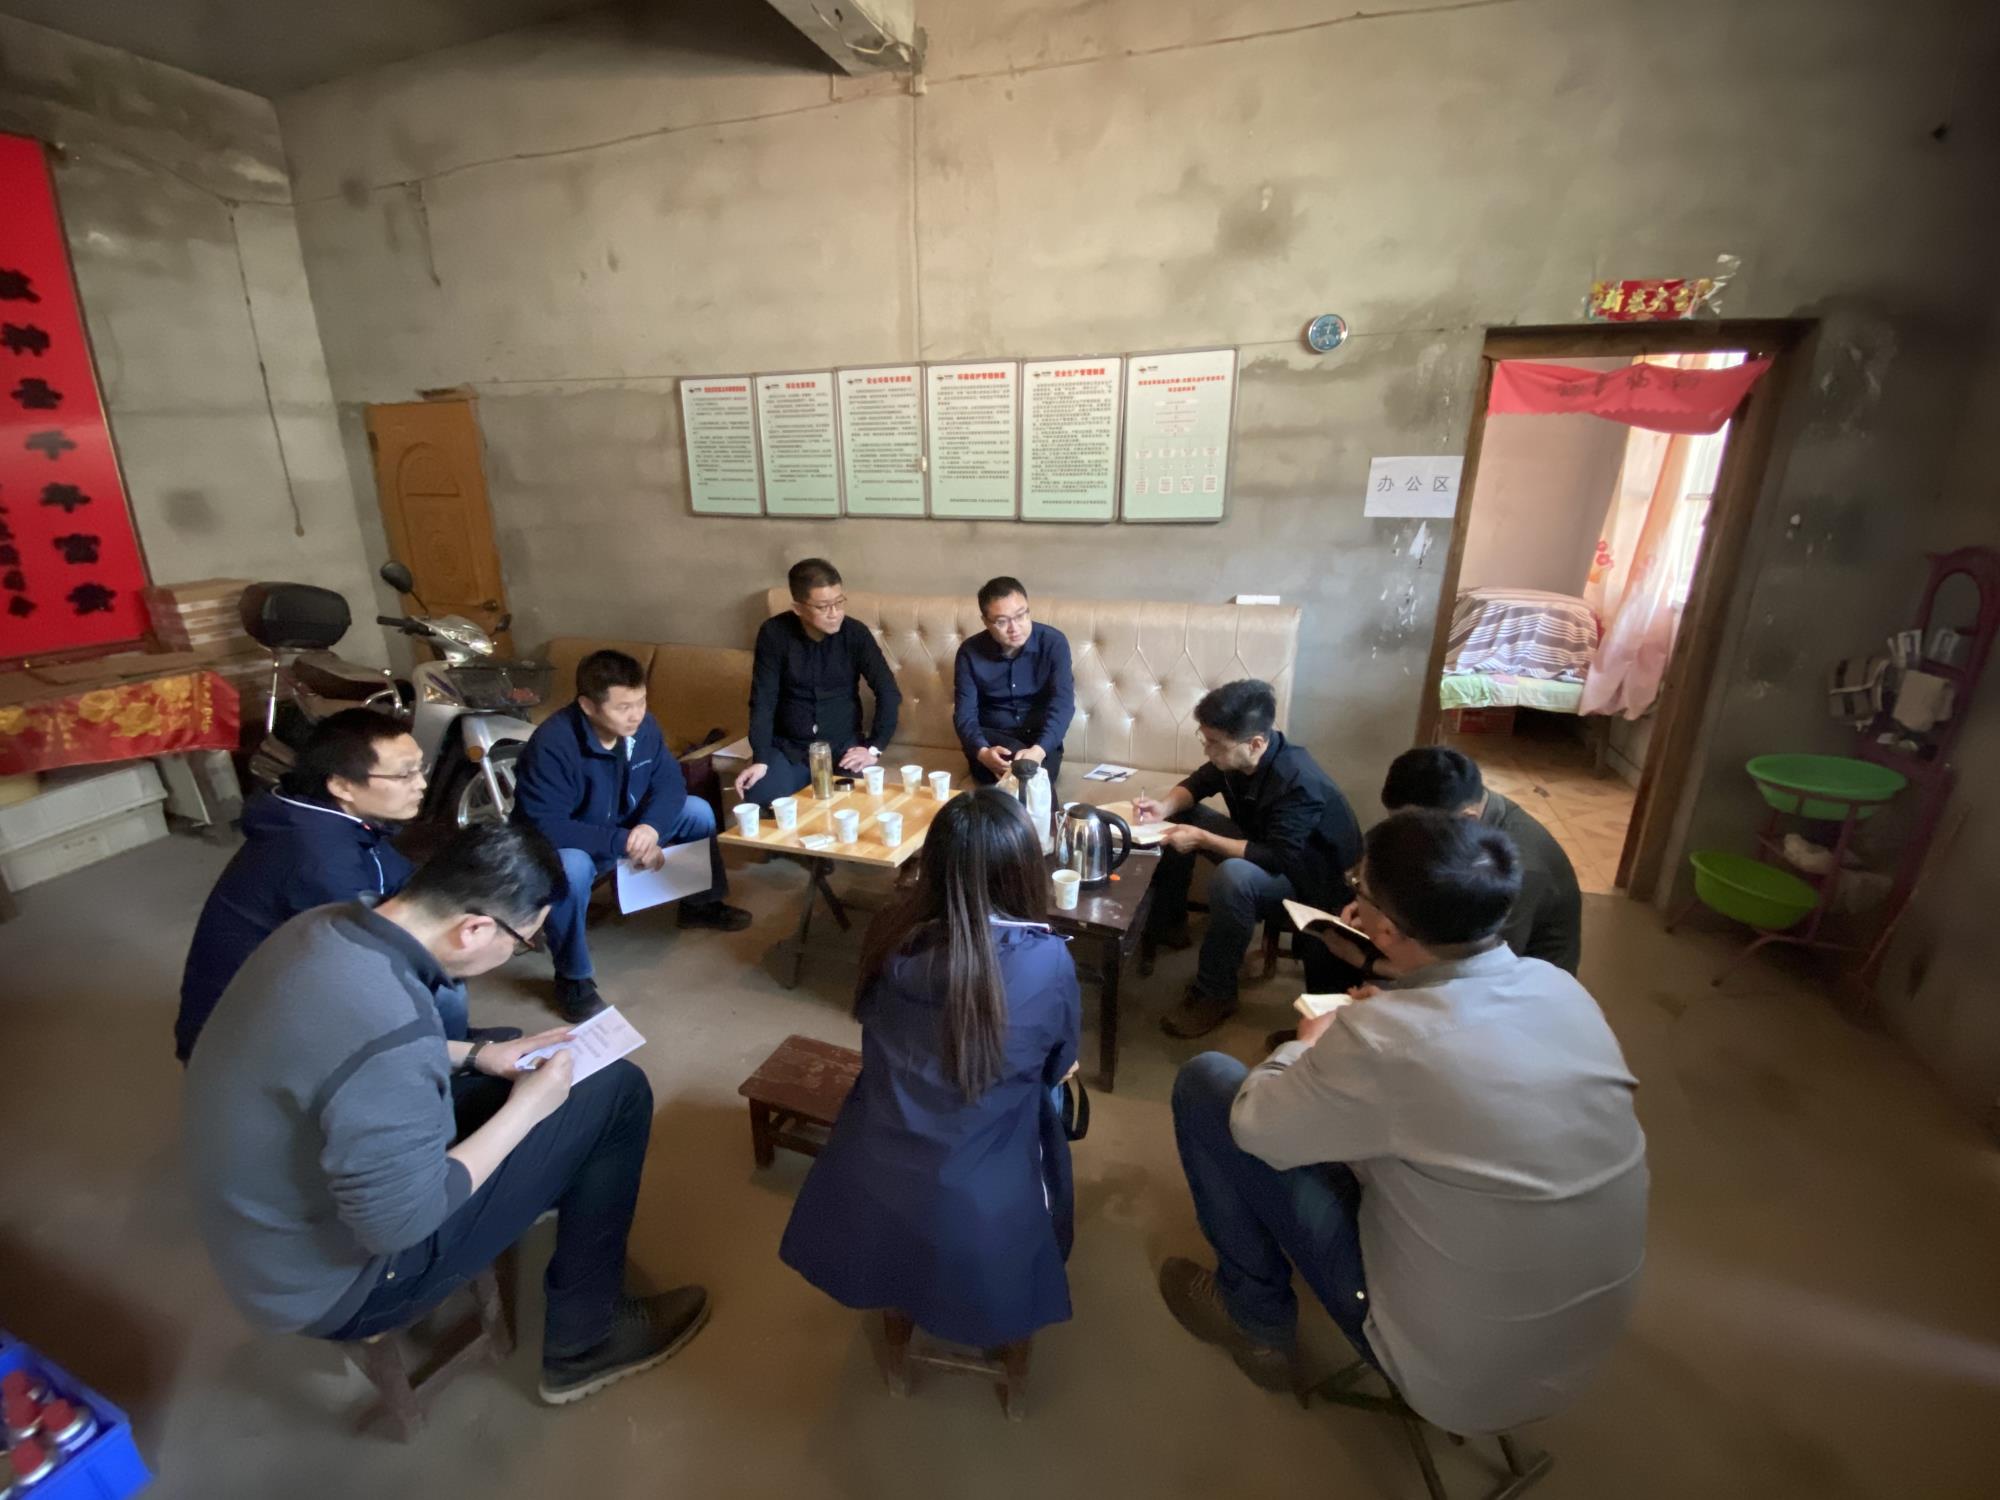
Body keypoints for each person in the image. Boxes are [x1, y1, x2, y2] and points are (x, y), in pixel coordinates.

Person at [183, 824, 711, 1405]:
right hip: (336, 1285)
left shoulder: (325, 925)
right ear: (475, 929)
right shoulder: (391, 1030)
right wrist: (527, 1110)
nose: (519, 952)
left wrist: (479, 1054)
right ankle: (586, 1342)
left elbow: (346, 1050)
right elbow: (400, 1224)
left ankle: (548, 1178)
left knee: (513, 1051)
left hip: (267, 1228)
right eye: (525, 941)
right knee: (618, 1094)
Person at [1159, 810, 1647, 1437]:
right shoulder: (1562, 991)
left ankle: (1254, 1318)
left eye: (1358, 888)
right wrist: (1392, 999)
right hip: (1574, 1356)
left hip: (1450, 1378)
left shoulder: (1383, 1041)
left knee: (1210, 1086)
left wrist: (1308, 1041)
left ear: (1385, 927)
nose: (1353, 898)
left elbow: (1255, 1126)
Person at [780, 789, 1081, 1349]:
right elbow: (1060, 1065)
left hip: (871, 1174)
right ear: (1023, 873)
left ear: (934, 864)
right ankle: (1027, 1253)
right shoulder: (1047, 960)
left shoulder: (889, 931)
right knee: (1052, 1095)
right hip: (979, 1202)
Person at [176, 708, 427, 1062]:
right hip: (241, 1048)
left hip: (282, 995)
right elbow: (370, 960)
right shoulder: (319, 857)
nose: (421, 783)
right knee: (436, 978)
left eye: (420, 768)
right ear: (342, 785)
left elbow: (403, 880)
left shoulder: (332, 819)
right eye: (405, 774)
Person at [515, 649, 750, 1023]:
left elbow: (670, 783)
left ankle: (700, 905)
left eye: (641, 702)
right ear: (588, 706)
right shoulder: (553, 744)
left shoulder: (643, 728)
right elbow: (545, 824)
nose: (636, 714)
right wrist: (624, 841)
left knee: (697, 812)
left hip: (626, 824)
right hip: (570, 842)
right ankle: (572, 978)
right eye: (624, 707)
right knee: (571, 868)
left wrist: (650, 828)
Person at [1135, 679, 1363, 1039]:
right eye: (1204, 739)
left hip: (1311, 880)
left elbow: (1276, 857)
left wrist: (1203, 839)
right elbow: (1198, 784)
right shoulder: (1237, 758)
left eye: (1214, 743)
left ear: (1255, 743)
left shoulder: (1297, 780)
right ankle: (1170, 924)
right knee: (1181, 815)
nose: (1207, 749)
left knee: (1235, 878)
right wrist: (1163, 807)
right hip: (1267, 847)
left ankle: (1216, 993)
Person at [1380, 745, 1582, 974]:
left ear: (1469, 819)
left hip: (1515, 983)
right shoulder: (1466, 811)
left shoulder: (1519, 868)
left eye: (1416, 831)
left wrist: (1369, 962)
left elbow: (1480, 971)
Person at [733, 558, 901, 808]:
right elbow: (763, 700)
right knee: (760, 797)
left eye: (839, 602)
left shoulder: (856, 634)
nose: (834, 613)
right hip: (790, 748)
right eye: (823, 607)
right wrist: (761, 757)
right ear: (798, 608)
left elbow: (888, 692)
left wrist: (873, 748)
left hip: (842, 748)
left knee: (854, 806)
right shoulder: (774, 633)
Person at [952, 576, 1075, 790]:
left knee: (1034, 780)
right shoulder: (969, 652)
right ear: (985, 621)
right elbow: (964, 714)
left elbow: (1063, 704)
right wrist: (982, 752)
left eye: (1020, 616)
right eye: (1002, 622)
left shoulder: (1053, 643)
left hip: (1039, 742)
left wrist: (1039, 751)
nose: (1014, 628)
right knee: (1018, 775)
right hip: (992, 741)